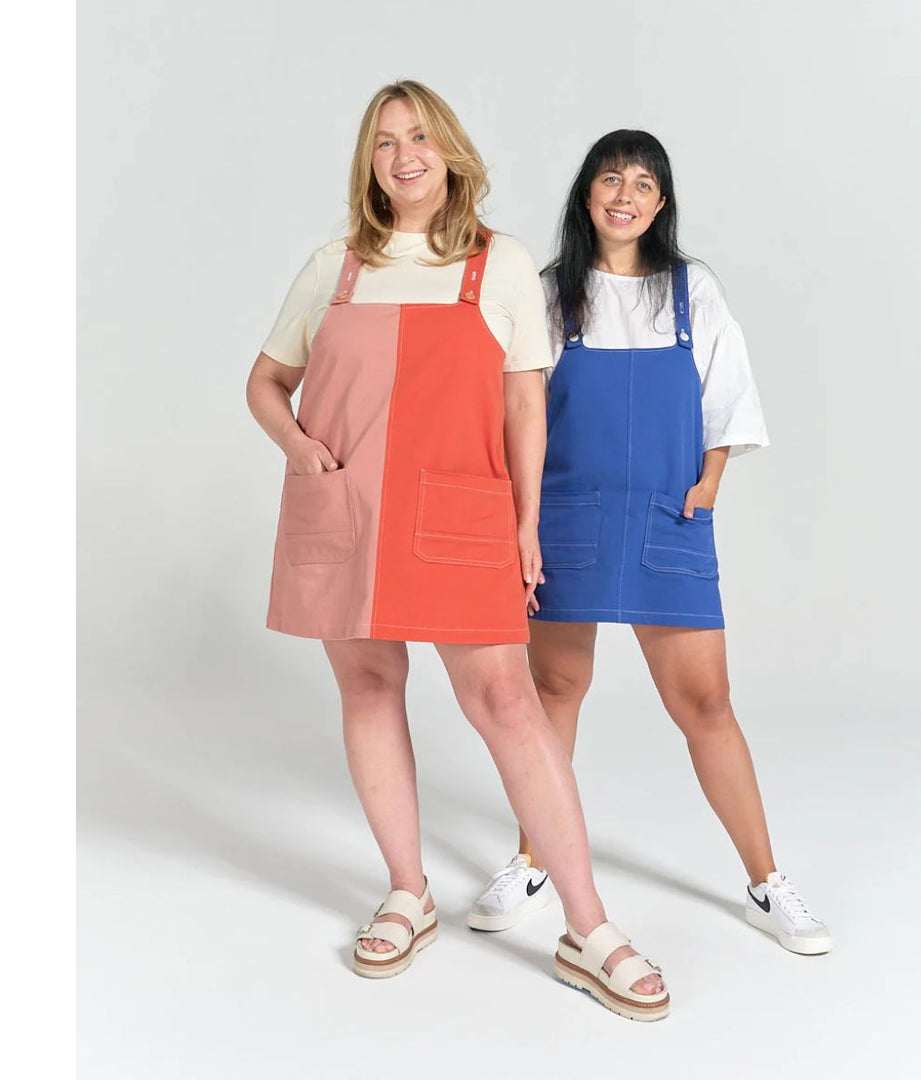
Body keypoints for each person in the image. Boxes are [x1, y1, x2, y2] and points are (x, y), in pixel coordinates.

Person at [246, 84, 669, 1020]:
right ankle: (408, 892)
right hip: (348, 508)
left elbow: (525, 401)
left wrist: (525, 521)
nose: (404, 156)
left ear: (452, 154)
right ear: (368, 163)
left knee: (508, 703)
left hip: (462, 513)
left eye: (420, 138)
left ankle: (588, 927)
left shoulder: (499, 262)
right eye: (385, 142)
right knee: (368, 687)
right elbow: (267, 381)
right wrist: (301, 450)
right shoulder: (334, 267)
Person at [468, 130, 831, 956]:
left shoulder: (691, 290)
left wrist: (708, 486)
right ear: (586, 194)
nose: (624, 195)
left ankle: (767, 883)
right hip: (567, 520)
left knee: (705, 703)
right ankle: (532, 861)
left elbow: (727, 397)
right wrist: (522, 519)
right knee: (553, 691)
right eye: (610, 179)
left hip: (671, 519)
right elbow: (517, 410)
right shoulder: (551, 294)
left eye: (642, 183)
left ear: (660, 202)